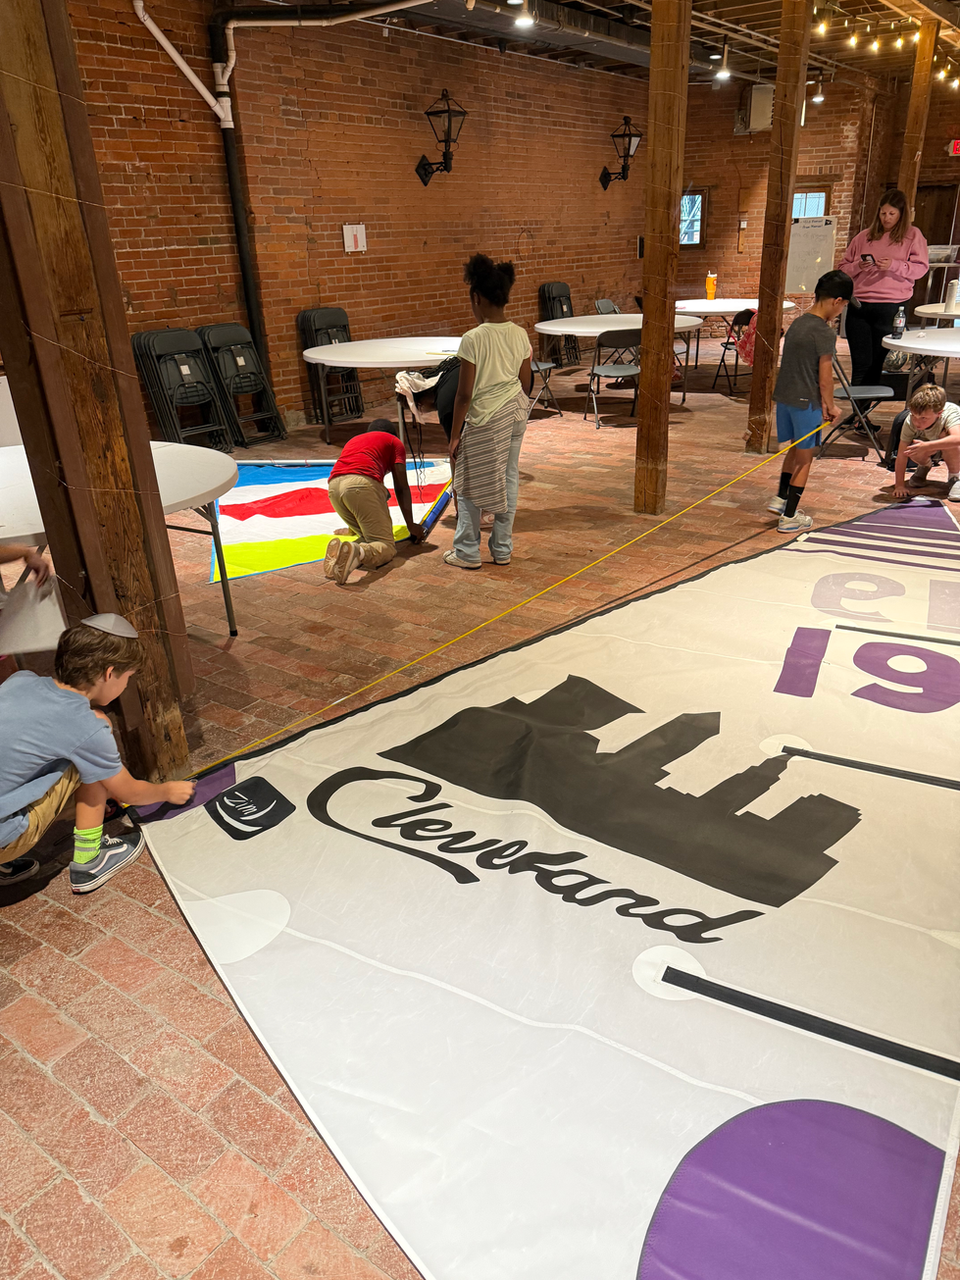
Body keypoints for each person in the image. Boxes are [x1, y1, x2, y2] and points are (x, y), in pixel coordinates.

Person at [0, 614, 195, 892]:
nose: (126, 684)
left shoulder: (19, 681)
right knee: (88, 761)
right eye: (128, 677)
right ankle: (89, 859)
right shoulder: (86, 727)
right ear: (109, 673)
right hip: (4, 841)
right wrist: (167, 791)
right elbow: (131, 794)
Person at [444, 254, 533, 570]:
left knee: (467, 483)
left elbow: (464, 393)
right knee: (509, 476)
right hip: (516, 414)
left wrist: (454, 436)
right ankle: (502, 549)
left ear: (476, 298)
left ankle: (467, 552)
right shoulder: (520, 334)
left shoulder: (473, 339)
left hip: (486, 418)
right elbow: (526, 382)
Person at [767, 270, 853, 533]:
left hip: (785, 399)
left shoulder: (798, 323)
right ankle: (790, 517)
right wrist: (831, 405)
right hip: (807, 402)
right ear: (836, 301)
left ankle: (781, 499)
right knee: (805, 459)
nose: (841, 312)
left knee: (794, 449)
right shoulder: (824, 333)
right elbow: (825, 379)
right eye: (844, 306)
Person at [838, 190, 929, 425]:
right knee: (860, 362)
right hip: (860, 305)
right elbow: (843, 268)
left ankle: (861, 415)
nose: (886, 218)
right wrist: (859, 265)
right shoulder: (864, 237)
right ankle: (860, 416)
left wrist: (895, 265)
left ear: (901, 215)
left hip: (890, 306)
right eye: (883, 213)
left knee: (877, 363)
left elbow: (921, 268)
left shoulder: (912, 236)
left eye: (892, 213)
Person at [324, 419, 425, 586]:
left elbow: (350, 476)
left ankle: (337, 558)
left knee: (368, 536)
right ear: (393, 434)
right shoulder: (394, 442)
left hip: (334, 487)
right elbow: (401, 486)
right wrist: (411, 525)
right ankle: (359, 552)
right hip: (361, 486)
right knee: (385, 545)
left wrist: (351, 528)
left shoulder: (355, 440)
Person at [891, 384, 960, 501]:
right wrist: (899, 486)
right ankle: (924, 466)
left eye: (923, 418)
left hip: (948, 446)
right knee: (912, 448)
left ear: (939, 413)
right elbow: (902, 454)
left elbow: (957, 438)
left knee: (948, 438)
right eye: (914, 416)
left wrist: (927, 446)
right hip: (929, 445)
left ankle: (955, 478)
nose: (917, 422)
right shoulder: (910, 421)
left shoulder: (950, 413)